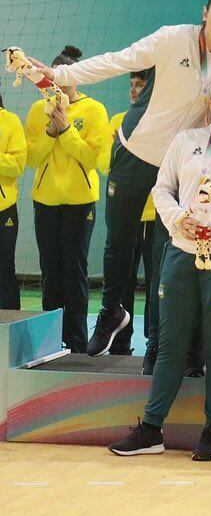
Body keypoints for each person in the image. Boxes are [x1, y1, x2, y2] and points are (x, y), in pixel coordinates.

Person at [30, 0, 211, 359]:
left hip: (177, 167)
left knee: (167, 254)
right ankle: (111, 313)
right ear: (204, 12)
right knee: (119, 244)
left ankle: (160, 342)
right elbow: (119, 60)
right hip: (133, 151)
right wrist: (60, 74)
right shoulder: (172, 39)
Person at [107, 73, 211, 459]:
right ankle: (151, 429)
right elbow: (162, 188)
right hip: (180, 252)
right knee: (170, 345)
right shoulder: (186, 141)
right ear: (210, 102)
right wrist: (176, 218)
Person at [25, 46, 109, 354]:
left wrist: (66, 131)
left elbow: (92, 159)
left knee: (74, 271)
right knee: (51, 270)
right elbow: (31, 158)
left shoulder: (94, 111)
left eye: (67, 79)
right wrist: (50, 130)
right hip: (45, 202)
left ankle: (76, 344)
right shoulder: (37, 111)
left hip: (79, 203)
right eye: (55, 80)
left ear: (77, 78)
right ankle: (49, 342)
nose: (61, 86)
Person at [99, 71, 163, 373]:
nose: (136, 91)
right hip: (127, 215)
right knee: (121, 277)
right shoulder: (117, 121)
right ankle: (120, 343)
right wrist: (117, 149)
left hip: (155, 218)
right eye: (133, 86)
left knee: (155, 284)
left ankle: (154, 343)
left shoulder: (162, 123)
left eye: (142, 85)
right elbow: (103, 165)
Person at [0, 88, 27, 310]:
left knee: (4, 269)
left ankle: (10, 327)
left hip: (4, 210)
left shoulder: (10, 121)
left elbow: (17, 166)